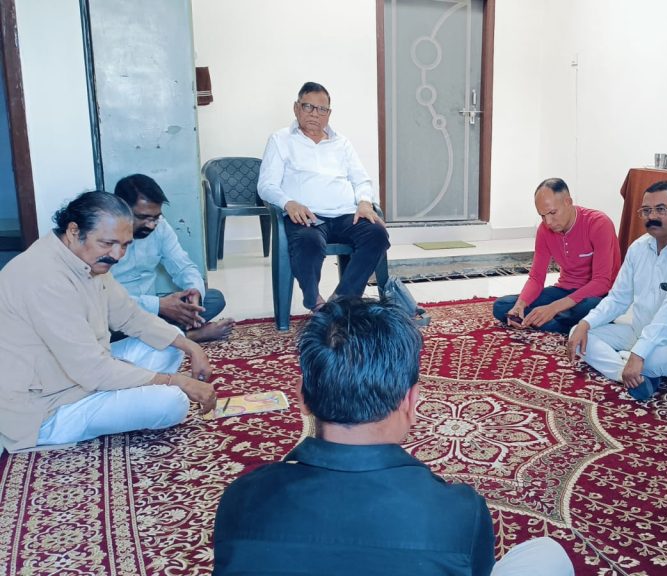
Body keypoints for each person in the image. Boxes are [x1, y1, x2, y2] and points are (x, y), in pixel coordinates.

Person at [213, 298, 573, 575]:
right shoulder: (460, 511)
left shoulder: (242, 497)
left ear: (302, 397)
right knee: (548, 555)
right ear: (411, 401)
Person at [0, 191, 217, 453]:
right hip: (46, 408)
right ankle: (109, 401)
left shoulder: (85, 259)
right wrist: (176, 381)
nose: (117, 255)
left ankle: (117, 394)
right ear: (74, 231)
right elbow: (92, 369)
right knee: (172, 402)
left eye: (124, 245)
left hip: (78, 376)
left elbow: (131, 316)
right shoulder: (45, 278)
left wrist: (192, 347)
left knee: (170, 343)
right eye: (108, 243)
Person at [566, 181, 667, 402]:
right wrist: (586, 323)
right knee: (579, 334)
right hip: (640, 333)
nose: (652, 216)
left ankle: (635, 366)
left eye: (661, 209)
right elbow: (618, 298)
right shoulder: (639, 248)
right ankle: (628, 375)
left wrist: (640, 352)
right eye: (646, 210)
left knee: (651, 358)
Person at [257, 81, 390, 311]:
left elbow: (361, 179)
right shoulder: (280, 140)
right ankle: (315, 302)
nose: (314, 114)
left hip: (345, 215)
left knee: (377, 233)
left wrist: (364, 202)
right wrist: (288, 203)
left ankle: (342, 300)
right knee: (308, 242)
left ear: (329, 113)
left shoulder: (342, 143)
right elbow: (266, 185)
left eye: (322, 109)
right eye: (308, 106)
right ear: (296, 108)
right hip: (307, 216)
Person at [111, 174, 235, 342]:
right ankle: (187, 336)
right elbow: (103, 298)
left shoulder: (160, 226)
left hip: (152, 310)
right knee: (104, 322)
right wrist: (159, 305)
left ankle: (164, 335)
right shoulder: (104, 235)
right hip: (120, 310)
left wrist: (194, 294)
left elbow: (184, 267)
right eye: (143, 217)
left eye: (155, 217)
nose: (151, 225)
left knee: (213, 299)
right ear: (121, 209)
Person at [492, 178, 621, 333]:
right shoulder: (544, 230)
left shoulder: (599, 224)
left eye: (553, 213)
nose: (548, 222)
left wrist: (553, 308)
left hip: (596, 295)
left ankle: (549, 321)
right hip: (564, 290)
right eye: (542, 215)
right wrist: (520, 305)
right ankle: (563, 323)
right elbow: (536, 278)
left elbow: (602, 282)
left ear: (568, 202)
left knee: (590, 306)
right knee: (502, 306)